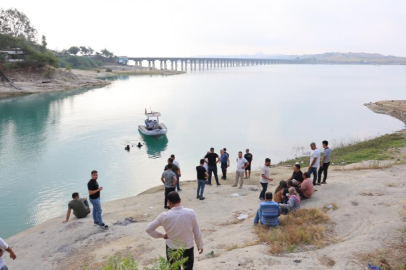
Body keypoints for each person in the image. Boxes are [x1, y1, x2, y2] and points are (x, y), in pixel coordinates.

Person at [146, 192, 204, 270]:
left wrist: (162, 235)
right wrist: (199, 245)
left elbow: (149, 229)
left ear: (169, 202)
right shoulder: (191, 213)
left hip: (171, 248)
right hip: (187, 247)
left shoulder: (164, 216)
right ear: (180, 200)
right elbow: (197, 231)